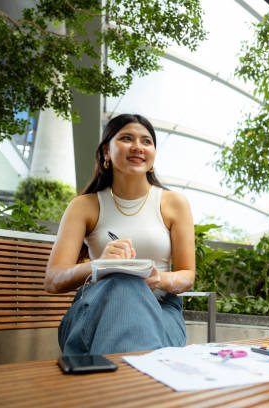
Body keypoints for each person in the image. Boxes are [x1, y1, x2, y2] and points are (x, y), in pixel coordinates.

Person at [45, 113, 195, 355]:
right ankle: (134, 384)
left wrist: (159, 279)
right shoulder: (84, 206)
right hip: (94, 310)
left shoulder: (174, 203)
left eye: (146, 141)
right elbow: (52, 280)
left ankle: (110, 384)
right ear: (106, 151)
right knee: (122, 284)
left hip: (160, 311)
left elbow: (187, 275)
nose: (138, 147)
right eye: (126, 138)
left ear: (154, 154)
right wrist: (99, 265)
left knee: (130, 287)